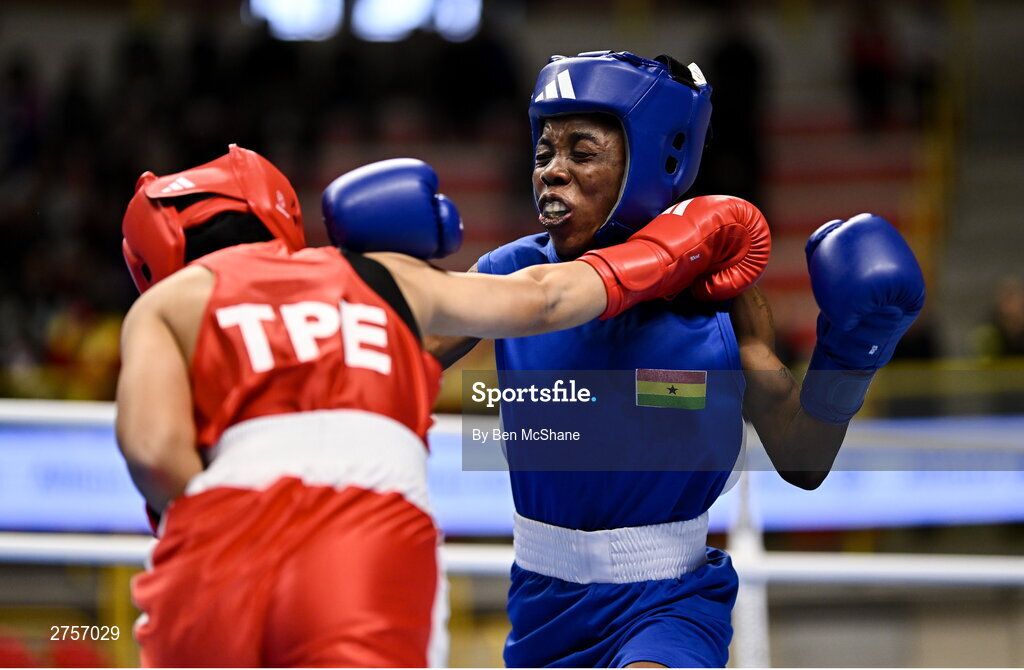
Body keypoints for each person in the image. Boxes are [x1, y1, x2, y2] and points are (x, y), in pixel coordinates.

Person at [116, 144, 769, 667]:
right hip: (362, 540)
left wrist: (235, 523)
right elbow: (544, 299)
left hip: (217, 536)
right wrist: (674, 243)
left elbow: (154, 453)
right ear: (281, 212)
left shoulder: (165, 307)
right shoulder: (377, 279)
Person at [429, 50, 925, 667]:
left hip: (669, 602)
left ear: (654, 158)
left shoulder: (726, 302)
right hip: (541, 602)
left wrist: (851, 356)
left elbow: (802, 459)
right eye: (543, 153)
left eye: (582, 153)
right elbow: (405, 358)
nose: (551, 173)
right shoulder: (510, 276)